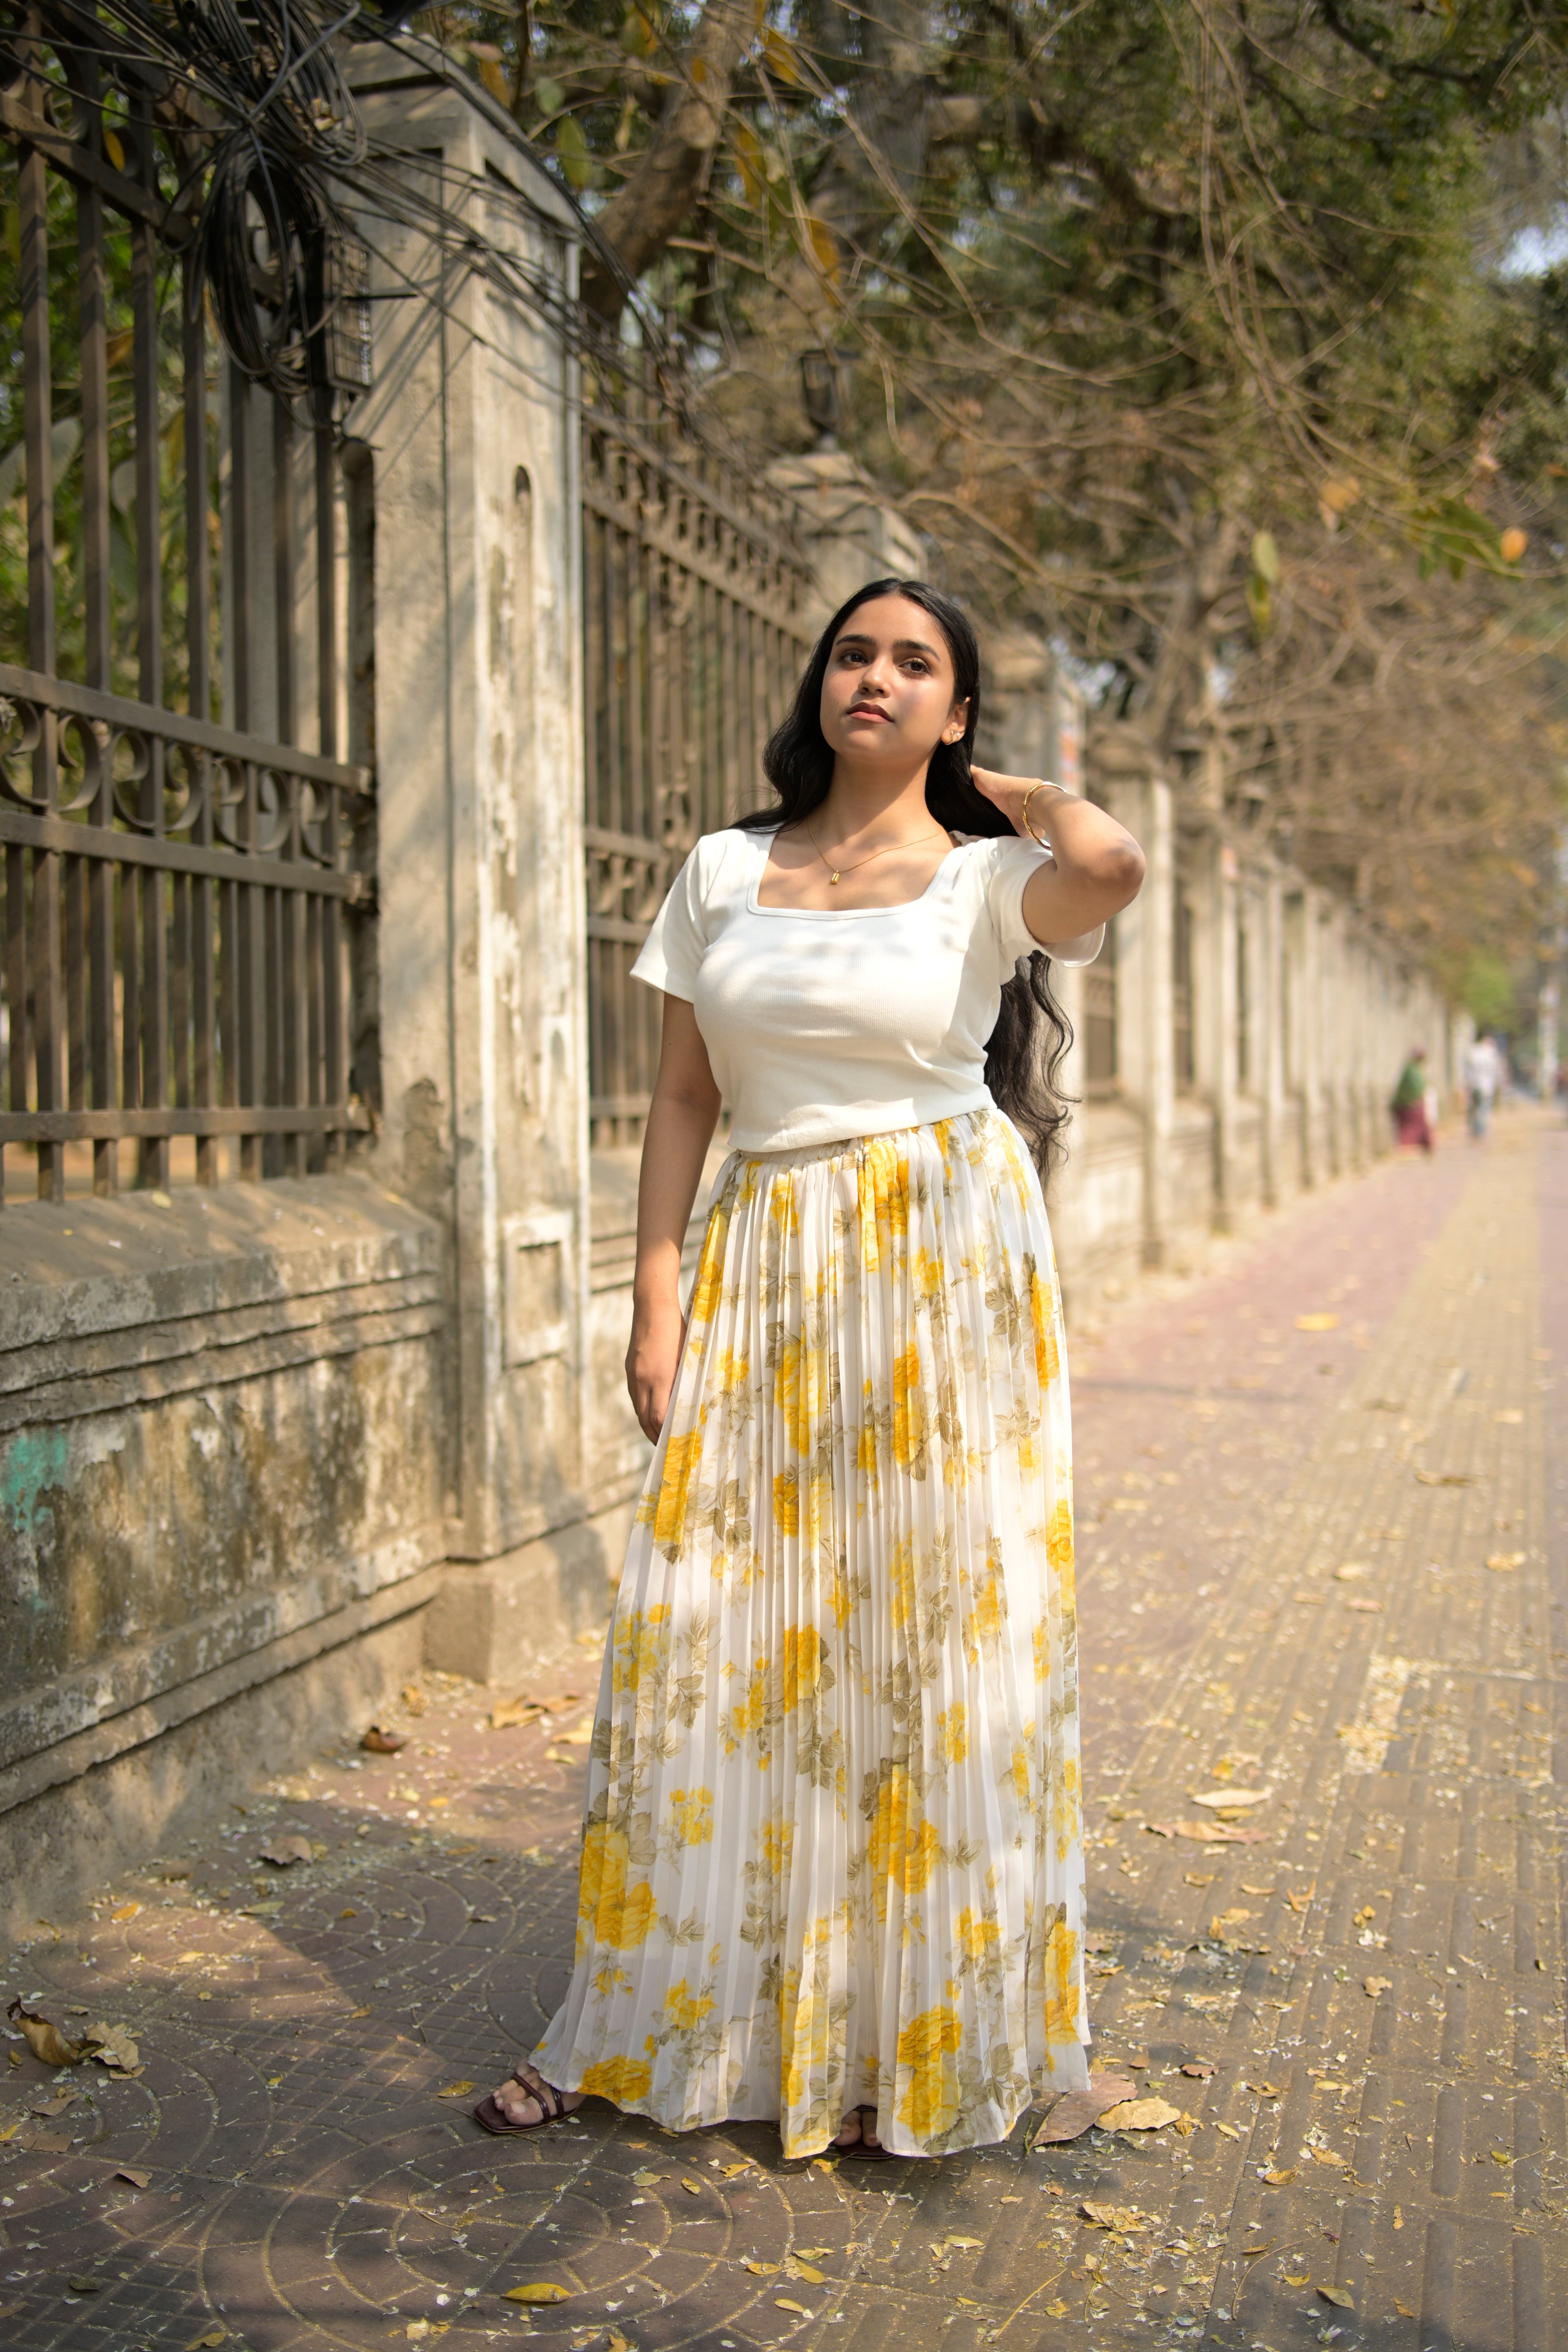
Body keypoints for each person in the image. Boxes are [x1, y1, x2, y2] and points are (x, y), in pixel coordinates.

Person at [474, 578, 1145, 2162]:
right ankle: (642, 2024)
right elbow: (686, 1098)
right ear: (820, 680)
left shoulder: (989, 877)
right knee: (718, 1637)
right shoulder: (724, 870)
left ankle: (903, 2043)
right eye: (858, 652)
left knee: (931, 1648)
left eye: (918, 664)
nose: (880, 677)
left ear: (956, 710)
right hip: (767, 1262)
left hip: (947, 1271)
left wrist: (1017, 793)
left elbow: (1113, 864)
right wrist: (654, 1298)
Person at [1462, 1031, 1504, 1139]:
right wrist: (1500, 1085)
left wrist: (1467, 1082)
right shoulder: (1492, 1054)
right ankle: (1480, 1132)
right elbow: (1498, 1072)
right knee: (1484, 1110)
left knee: (1474, 1109)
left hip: (1474, 1085)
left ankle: (1474, 1130)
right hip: (1487, 1087)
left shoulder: (1474, 1052)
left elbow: (1467, 1069)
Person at [1392, 1047, 1432, 1153]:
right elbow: (1417, 1087)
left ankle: (1423, 1145)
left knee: (1421, 1125)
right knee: (1411, 1127)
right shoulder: (1412, 1070)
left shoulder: (1414, 1069)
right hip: (1408, 1104)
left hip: (1410, 1103)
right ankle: (1407, 1148)